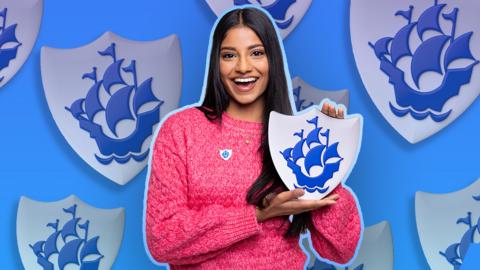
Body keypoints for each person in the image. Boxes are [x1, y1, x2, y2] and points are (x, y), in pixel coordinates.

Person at [144, 7, 361, 269]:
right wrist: (258, 215)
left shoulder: (296, 137)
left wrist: (331, 167)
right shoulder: (182, 130)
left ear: (272, 60)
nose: (243, 67)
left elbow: (340, 250)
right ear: (216, 62)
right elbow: (162, 239)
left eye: (256, 53)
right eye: (229, 55)